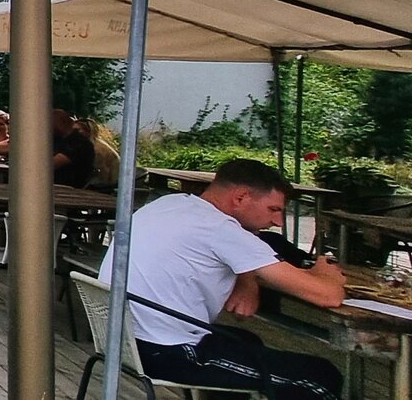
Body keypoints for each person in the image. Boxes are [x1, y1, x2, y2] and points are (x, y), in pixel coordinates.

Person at [104, 158, 345, 399]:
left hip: (122, 339)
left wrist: (247, 278)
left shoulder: (170, 204)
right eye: (274, 209)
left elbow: (232, 253)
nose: (278, 222)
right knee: (320, 376)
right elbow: (328, 296)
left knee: (247, 340)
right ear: (240, 197)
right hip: (166, 351)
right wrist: (325, 271)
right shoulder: (221, 228)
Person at [51, 108, 96, 188]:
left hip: (67, 189)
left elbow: (53, 164)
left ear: (61, 123)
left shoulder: (79, 143)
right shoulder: (58, 139)